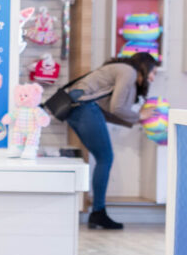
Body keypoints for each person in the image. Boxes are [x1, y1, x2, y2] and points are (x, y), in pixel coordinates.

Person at [58, 52, 159, 231]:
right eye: (153, 71)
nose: (153, 77)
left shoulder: (121, 70)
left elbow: (110, 110)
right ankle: (98, 212)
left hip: (77, 109)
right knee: (105, 158)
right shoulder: (129, 72)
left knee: (103, 158)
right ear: (145, 66)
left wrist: (136, 119)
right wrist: (139, 115)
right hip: (83, 109)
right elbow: (117, 108)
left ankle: (98, 212)